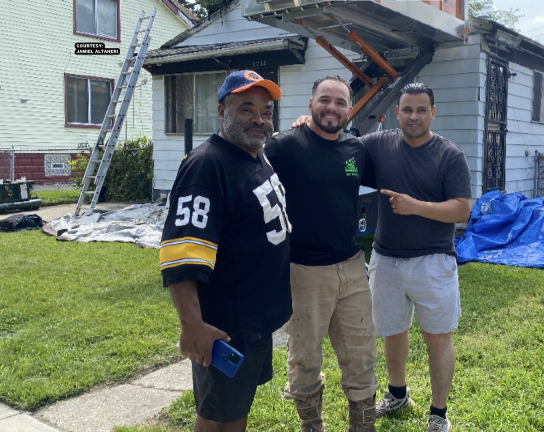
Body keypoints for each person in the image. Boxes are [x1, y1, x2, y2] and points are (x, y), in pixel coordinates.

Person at [292, 82, 471, 432]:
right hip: (386, 258)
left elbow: (462, 209)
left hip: (434, 260)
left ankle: (439, 414)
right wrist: (307, 125)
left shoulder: (449, 155)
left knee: (437, 336)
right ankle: (398, 394)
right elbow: (338, 143)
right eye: (407, 109)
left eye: (421, 110)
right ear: (396, 113)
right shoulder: (377, 144)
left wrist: (415, 207)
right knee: (392, 330)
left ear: (433, 113)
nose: (414, 116)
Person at [159, 70, 291, 432]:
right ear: (221, 112)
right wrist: (192, 326)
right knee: (217, 416)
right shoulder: (207, 165)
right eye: (247, 109)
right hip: (225, 324)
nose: (259, 119)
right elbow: (181, 256)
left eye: (266, 111)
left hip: (254, 320)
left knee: (235, 409)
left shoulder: (254, 153)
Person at [265, 76, 378, 432]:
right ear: (310, 104)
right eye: (325, 100)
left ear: (349, 109)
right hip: (303, 270)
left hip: (351, 266)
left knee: (361, 353)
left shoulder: (356, 150)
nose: (332, 108)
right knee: (305, 356)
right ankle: (312, 425)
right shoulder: (283, 147)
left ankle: (363, 426)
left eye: (340, 102)